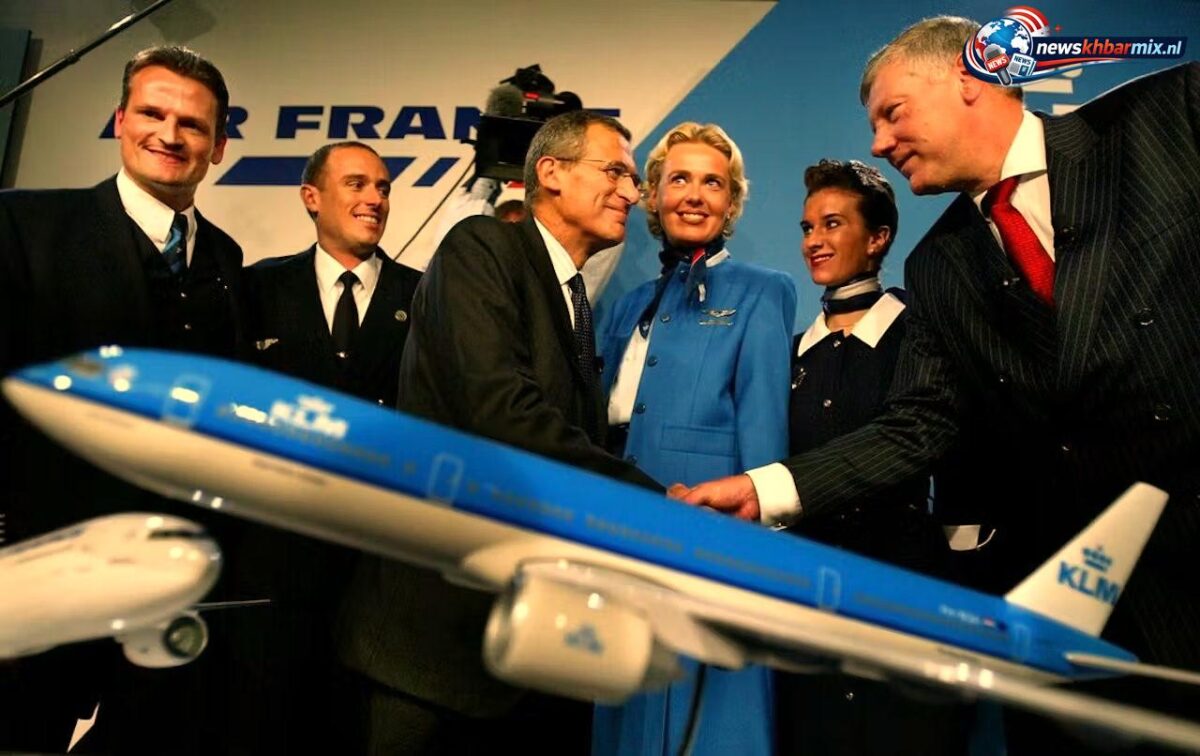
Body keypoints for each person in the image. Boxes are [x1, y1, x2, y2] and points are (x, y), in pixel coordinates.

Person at [678, 16, 1200, 751]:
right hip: (1065, 614)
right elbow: (919, 423)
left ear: (970, 78)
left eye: (892, 114)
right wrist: (761, 491)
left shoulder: (1166, 120)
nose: (878, 144)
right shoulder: (938, 267)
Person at [337, 109, 660, 755]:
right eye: (615, 172)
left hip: (528, 656)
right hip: (435, 653)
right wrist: (655, 503)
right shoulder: (482, 247)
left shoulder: (574, 300)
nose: (631, 192)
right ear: (552, 173)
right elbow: (501, 413)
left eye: (633, 179)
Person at [0, 45, 248, 753]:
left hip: (169, 596)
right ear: (120, 121)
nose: (170, 134)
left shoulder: (227, 260)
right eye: (152, 113)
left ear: (218, 147)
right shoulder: (25, 227)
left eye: (193, 124)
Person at [593, 121, 794, 756]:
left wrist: (756, 549)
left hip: (712, 537)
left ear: (731, 204)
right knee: (625, 702)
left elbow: (764, 431)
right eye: (679, 179)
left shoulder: (764, 291)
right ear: (653, 195)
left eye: (713, 183)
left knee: (712, 720)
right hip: (622, 533)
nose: (695, 195)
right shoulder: (626, 305)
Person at [235, 141, 422, 753]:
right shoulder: (257, 288)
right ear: (311, 198)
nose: (375, 199)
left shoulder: (426, 298)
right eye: (357, 184)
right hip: (275, 573)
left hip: (378, 575)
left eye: (384, 187)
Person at [776, 158, 967, 756]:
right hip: (808, 602)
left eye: (832, 224)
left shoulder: (922, 336)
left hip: (907, 594)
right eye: (808, 227)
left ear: (879, 237)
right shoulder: (790, 353)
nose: (814, 240)